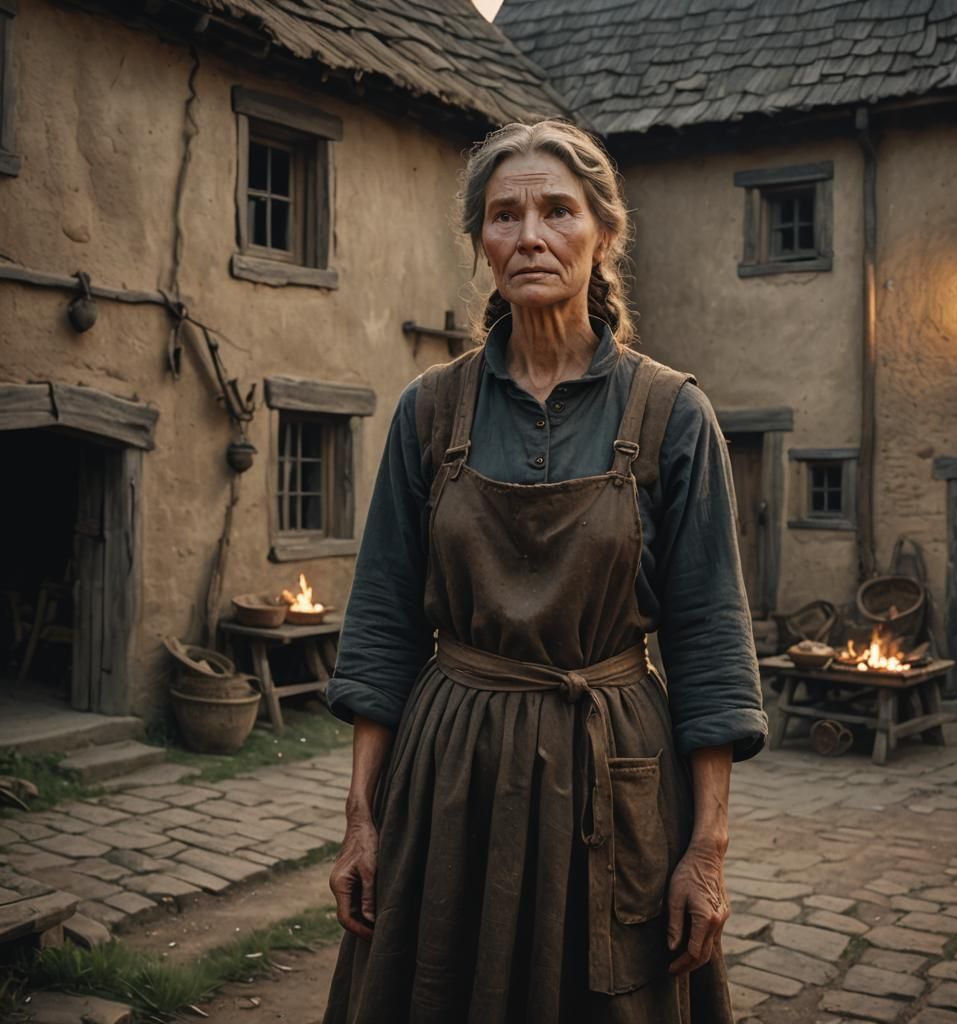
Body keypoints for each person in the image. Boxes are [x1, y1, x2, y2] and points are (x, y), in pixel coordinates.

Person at [322, 120, 768, 1024]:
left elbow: (711, 644)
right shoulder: (428, 411)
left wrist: (707, 849)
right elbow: (381, 631)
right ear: (481, 244)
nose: (530, 236)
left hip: (612, 768)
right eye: (504, 215)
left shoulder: (673, 414)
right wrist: (362, 820)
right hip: (453, 776)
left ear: (605, 234)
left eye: (557, 211)